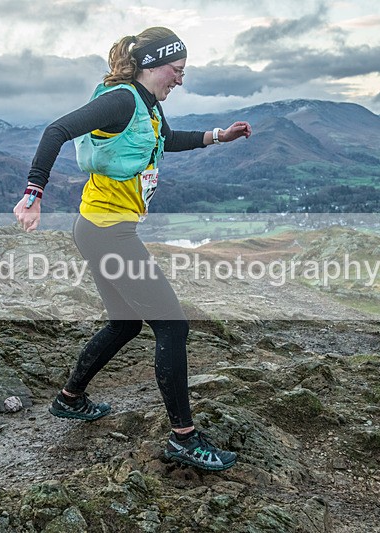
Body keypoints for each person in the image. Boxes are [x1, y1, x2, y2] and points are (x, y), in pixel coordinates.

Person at [13, 27, 251, 471]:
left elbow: (166, 140)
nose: (180, 79)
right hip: (108, 234)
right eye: (176, 70)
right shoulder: (121, 100)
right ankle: (184, 438)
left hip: (101, 229)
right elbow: (57, 130)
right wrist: (34, 193)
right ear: (152, 64)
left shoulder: (147, 104)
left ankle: (70, 398)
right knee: (173, 327)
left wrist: (220, 135)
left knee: (125, 323)